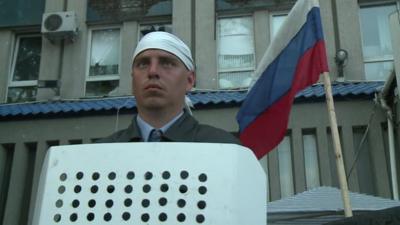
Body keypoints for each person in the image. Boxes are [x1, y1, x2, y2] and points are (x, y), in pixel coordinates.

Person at [98, 31, 240, 144]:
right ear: (132, 81)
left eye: (167, 63)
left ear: (190, 80)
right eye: (143, 64)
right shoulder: (102, 154)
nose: (152, 71)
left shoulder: (223, 148)